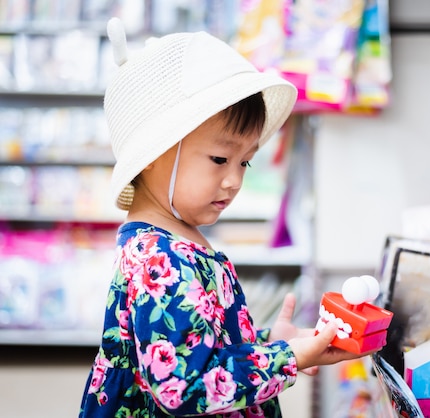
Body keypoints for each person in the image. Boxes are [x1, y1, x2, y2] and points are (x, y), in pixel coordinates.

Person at [79, 18, 377, 418]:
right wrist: (287, 357)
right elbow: (183, 386)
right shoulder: (160, 259)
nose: (234, 180)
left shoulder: (173, 240)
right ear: (152, 153)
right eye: (220, 159)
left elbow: (201, 341)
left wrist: (269, 342)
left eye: (245, 163)